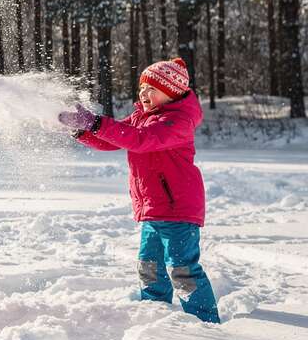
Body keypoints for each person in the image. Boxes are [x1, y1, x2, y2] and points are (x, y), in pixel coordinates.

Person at [59, 58, 220, 323]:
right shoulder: (141, 117)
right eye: (142, 88)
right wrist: (80, 131)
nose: (144, 93)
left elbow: (140, 140)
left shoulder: (178, 121)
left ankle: (205, 321)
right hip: (153, 210)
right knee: (149, 268)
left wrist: (96, 122)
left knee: (182, 270)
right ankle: (155, 313)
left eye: (152, 88)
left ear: (172, 92)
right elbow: (112, 141)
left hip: (178, 210)